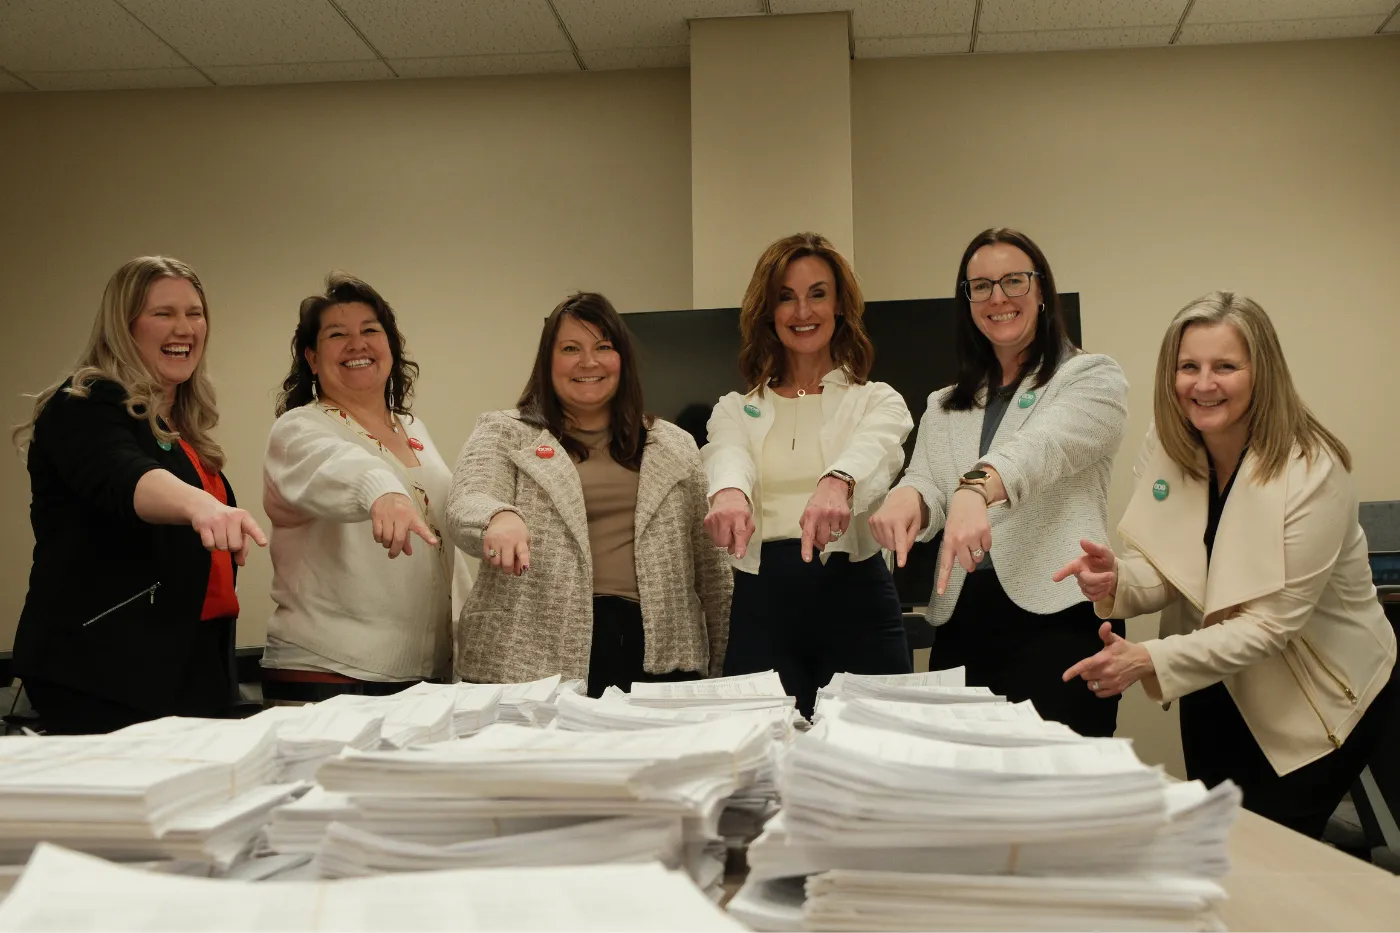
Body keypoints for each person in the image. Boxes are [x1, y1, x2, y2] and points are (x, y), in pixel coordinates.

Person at [1057, 291, 1396, 837]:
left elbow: (1270, 625)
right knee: (1221, 847)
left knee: (1278, 855)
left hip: (1316, 697)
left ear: (1262, 373)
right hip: (1215, 681)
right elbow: (1174, 567)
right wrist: (1119, 579)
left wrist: (1146, 657)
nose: (1204, 384)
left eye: (1225, 367)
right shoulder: (1168, 445)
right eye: (1189, 366)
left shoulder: (1312, 471)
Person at [868, 227, 1128, 737]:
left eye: (1013, 280)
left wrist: (973, 489)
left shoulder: (1090, 378)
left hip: (1058, 615)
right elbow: (927, 482)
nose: (998, 297)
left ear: (1041, 289)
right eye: (980, 286)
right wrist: (906, 496)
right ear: (967, 301)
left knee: (1056, 792)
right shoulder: (945, 404)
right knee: (962, 786)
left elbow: (1040, 452)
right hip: (963, 619)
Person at [12, 256, 267, 733]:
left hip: (194, 663)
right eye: (163, 313)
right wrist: (201, 505)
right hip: (103, 672)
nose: (185, 327)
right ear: (123, 326)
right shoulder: (82, 404)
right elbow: (124, 475)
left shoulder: (180, 430)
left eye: (194, 312)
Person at [446, 292, 730, 696]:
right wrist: (498, 516)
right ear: (548, 361)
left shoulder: (674, 444)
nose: (588, 362)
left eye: (603, 347)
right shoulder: (504, 431)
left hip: (658, 654)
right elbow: (467, 499)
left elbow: (711, 568)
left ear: (622, 360)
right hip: (530, 653)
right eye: (570, 349)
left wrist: (723, 666)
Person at [704, 232, 914, 717]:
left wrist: (836, 482)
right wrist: (730, 494)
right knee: (759, 753)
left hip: (857, 597)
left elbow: (877, 451)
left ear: (839, 304)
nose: (803, 312)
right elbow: (725, 454)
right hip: (763, 605)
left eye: (817, 294)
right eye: (786, 298)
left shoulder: (876, 400)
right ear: (768, 312)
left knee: (876, 747)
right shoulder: (736, 408)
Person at [261, 273, 470, 701]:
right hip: (329, 671)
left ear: (390, 348)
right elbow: (338, 465)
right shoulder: (298, 428)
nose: (357, 344)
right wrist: (382, 490)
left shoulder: (413, 428)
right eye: (338, 334)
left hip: (425, 675)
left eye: (370, 331)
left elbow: (443, 526)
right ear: (313, 358)